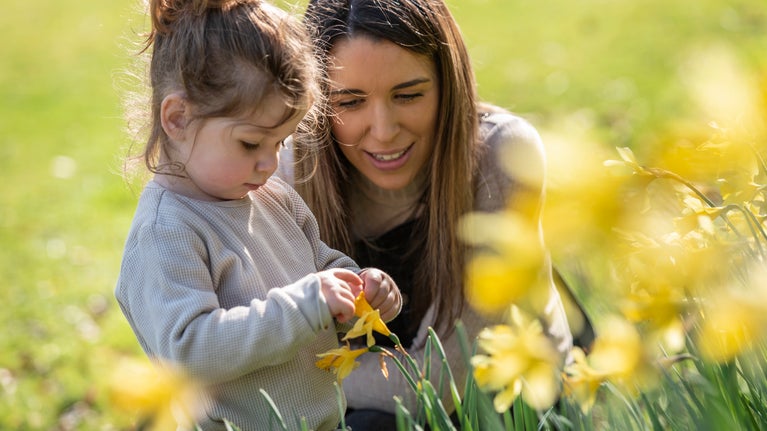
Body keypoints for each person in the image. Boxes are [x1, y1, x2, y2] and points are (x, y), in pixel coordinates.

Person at [277, 0, 580, 428]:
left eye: (409, 95)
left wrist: (286, 385)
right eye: (350, 102)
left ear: (448, 83)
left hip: (504, 408)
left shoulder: (503, 153)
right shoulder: (287, 173)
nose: (383, 130)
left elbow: (431, 388)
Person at [114, 1, 401, 430]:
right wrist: (307, 306)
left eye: (281, 143)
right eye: (251, 144)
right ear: (177, 118)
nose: (269, 163)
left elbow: (319, 270)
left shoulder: (272, 197)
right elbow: (189, 352)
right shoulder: (167, 231)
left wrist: (360, 293)